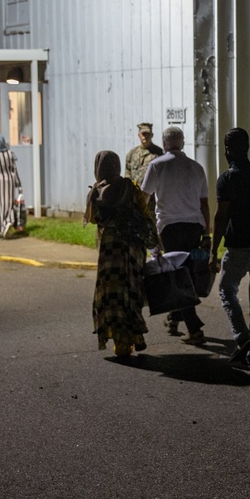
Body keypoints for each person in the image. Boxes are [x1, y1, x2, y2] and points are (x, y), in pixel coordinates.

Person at [209, 128, 250, 369]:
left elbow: (220, 217)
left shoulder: (227, 179)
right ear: (248, 147)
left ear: (228, 150)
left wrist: (212, 250)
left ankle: (242, 336)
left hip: (238, 246)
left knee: (227, 289)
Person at [140, 126, 211, 345]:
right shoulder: (196, 167)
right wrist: (206, 233)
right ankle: (173, 318)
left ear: (164, 143)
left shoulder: (156, 165)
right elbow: (204, 204)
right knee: (186, 273)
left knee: (177, 275)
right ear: (182, 142)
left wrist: (148, 227)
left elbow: (143, 198)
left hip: (170, 227)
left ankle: (195, 328)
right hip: (194, 227)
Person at [84, 150, 157, 358]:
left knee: (112, 293)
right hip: (133, 247)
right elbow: (145, 213)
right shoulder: (130, 187)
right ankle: (134, 336)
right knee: (131, 289)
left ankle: (119, 339)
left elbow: (93, 219)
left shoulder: (96, 191)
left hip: (110, 248)